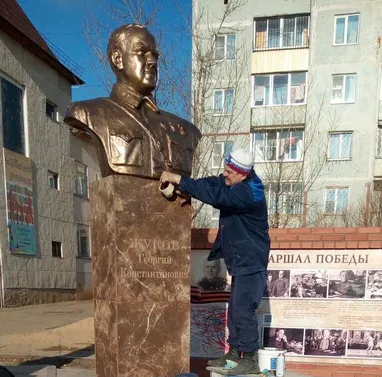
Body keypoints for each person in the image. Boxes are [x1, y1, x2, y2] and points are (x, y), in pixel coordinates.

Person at [160, 148, 270, 375]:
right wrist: (186, 187)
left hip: (251, 260)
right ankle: (234, 353)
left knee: (243, 310)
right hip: (241, 261)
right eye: (225, 168)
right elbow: (213, 184)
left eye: (229, 171)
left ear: (242, 174)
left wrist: (178, 179)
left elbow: (217, 197)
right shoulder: (236, 182)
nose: (225, 173)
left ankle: (249, 358)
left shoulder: (250, 193)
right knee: (235, 311)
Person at [65, 24, 201, 179]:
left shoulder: (186, 130)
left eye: (154, 55)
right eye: (141, 53)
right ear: (118, 59)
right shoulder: (88, 112)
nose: (152, 62)